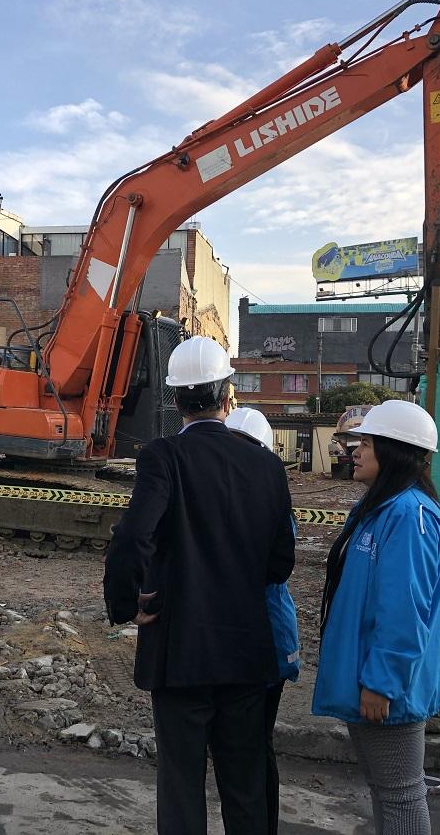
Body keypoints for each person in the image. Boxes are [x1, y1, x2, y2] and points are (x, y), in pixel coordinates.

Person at [103, 337, 296, 835]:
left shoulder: (163, 457)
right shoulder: (268, 465)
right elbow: (281, 563)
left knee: (182, 788)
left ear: (174, 401)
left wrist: (126, 604)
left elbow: (131, 538)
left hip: (180, 652)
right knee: (246, 787)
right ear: (228, 398)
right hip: (248, 654)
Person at [311, 400, 440, 835]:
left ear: (395, 451)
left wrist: (382, 682)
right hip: (373, 678)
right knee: (387, 791)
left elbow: (405, 610)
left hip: (388, 686)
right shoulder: (383, 509)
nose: (354, 450)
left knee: (401, 795)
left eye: (366, 442)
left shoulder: (408, 516)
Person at [225, 407, 301, 835]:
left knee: (253, 748)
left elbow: (276, 569)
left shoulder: (263, 504)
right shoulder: (266, 498)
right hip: (262, 638)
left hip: (265, 641)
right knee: (252, 747)